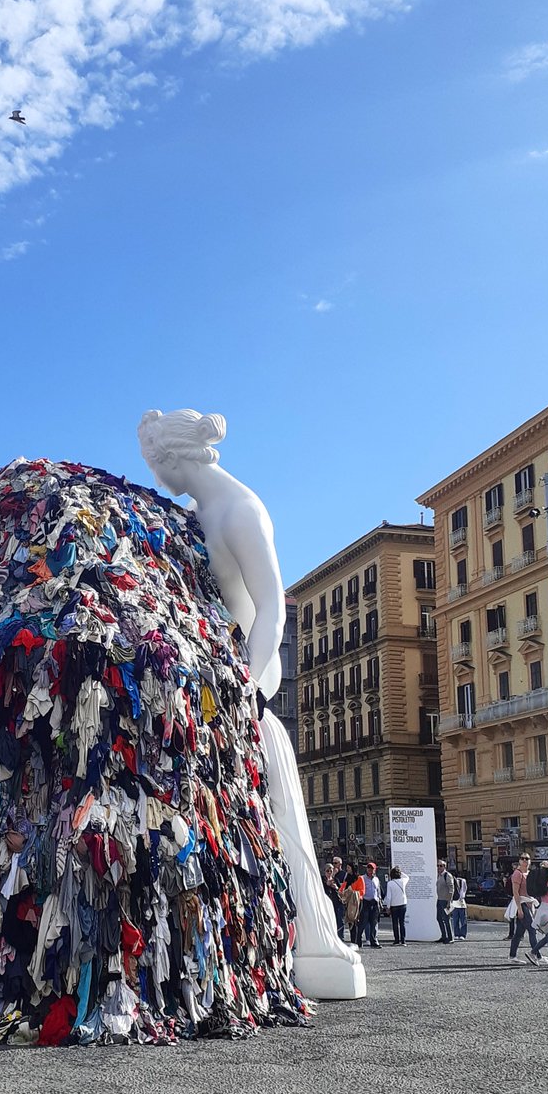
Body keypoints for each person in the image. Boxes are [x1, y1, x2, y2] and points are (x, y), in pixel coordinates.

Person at [139, 408, 365, 999]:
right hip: (216, 687)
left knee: (281, 820)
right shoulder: (199, 513)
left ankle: (316, 942)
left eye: (157, 467)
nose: (158, 480)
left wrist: (246, 685)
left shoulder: (240, 510)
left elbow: (273, 607)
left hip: (245, 688)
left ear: (176, 459)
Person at [507, 853, 542, 966]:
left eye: (527, 858)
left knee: (519, 933)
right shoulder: (518, 874)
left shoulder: (529, 874)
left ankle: (512, 956)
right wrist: (519, 909)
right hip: (521, 903)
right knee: (532, 929)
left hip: (528, 903)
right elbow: (515, 892)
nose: (524, 860)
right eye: (522, 858)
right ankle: (536, 955)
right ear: (519, 861)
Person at [358, 862, 383, 949]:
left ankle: (374, 940)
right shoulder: (362, 878)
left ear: (374, 870)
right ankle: (359, 940)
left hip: (374, 902)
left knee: (374, 923)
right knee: (363, 922)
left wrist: (380, 901)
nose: (370, 870)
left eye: (371, 868)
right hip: (365, 902)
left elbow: (378, 890)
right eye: (368, 868)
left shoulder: (376, 879)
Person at [385, 866, 409, 945]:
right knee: (402, 923)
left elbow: (389, 897)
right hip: (403, 904)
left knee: (395, 923)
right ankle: (403, 940)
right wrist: (400, 871)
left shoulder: (390, 883)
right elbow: (407, 877)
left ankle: (396, 940)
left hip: (394, 905)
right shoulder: (403, 881)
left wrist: (388, 907)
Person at [435, 859, 455, 943]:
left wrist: (449, 901)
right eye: (438, 865)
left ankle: (450, 938)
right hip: (439, 900)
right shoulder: (439, 876)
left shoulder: (447, 875)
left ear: (444, 867)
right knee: (439, 918)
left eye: (441, 866)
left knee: (447, 919)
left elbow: (451, 889)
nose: (439, 867)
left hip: (445, 900)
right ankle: (444, 936)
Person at [450, 874, 469, 941]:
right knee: (455, 919)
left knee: (462, 919)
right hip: (455, 902)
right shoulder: (451, 881)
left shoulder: (462, 881)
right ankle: (457, 934)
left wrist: (461, 897)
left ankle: (462, 934)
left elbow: (464, 890)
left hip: (460, 902)